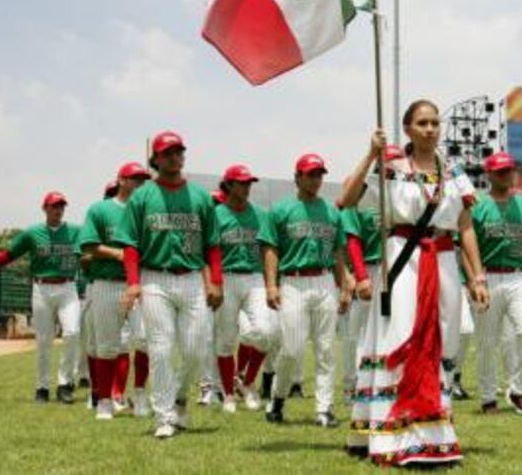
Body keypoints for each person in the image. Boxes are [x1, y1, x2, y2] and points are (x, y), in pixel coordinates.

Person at [340, 100, 490, 466]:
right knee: (402, 338)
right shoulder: (392, 168)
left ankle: (435, 435)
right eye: (422, 122)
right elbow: (345, 199)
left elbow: (466, 226)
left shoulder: (454, 171)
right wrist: (370, 154)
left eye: (435, 122)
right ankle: (395, 436)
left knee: (442, 341)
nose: (430, 128)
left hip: (443, 260)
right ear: (407, 129)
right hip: (402, 258)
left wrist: (478, 275)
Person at [113, 131, 223, 439]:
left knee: (196, 350)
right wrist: (134, 284)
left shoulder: (200, 196)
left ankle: (180, 397)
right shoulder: (143, 196)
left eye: (179, 151)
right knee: (160, 349)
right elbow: (130, 245)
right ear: (156, 159)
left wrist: (216, 281)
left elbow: (213, 245)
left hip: (191, 279)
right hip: (155, 278)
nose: (176, 156)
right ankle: (163, 416)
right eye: (169, 152)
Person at [0, 192, 81, 404]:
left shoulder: (75, 231)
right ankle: (42, 388)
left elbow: (91, 248)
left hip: (68, 287)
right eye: (54, 206)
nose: (58, 210)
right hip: (41, 289)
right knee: (43, 341)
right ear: (45, 208)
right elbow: (8, 254)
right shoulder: (32, 233)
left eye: (61, 206)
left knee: (72, 332)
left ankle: (64, 384)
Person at [260, 153, 353, 427]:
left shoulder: (332, 212)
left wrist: (344, 286)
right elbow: (270, 248)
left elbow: (337, 253)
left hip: (324, 280)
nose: (316, 179)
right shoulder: (281, 210)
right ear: (297, 177)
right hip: (293, 281)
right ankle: (277, 398)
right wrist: (270, 284)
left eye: (320, 174)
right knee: (291, 349)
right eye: (311, 174)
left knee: (325, 349)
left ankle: (324, 409)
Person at [471, 151, 522, 416]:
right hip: (487, 276)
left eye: (510, 170)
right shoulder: (478, 206)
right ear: (489, 174)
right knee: (487, 342)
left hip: (518, 274)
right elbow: (468, 248)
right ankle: (488, 397)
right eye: (500, 171)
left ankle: (518, 389)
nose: (506, 174)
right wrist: (473, 279)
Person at [77, 162, 152, 420]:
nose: (140, 183)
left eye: (143, 179)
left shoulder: (147, 212)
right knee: (107, 347)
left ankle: (140, 395)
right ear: (121, 180)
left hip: (140, 283)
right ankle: (105, 400)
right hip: (107, 283)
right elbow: (88, 245)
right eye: (135, 178)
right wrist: (120, 253)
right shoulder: (101, 209)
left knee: (145, 340)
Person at [340, 145, 404, 404]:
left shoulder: (403, 195)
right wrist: (361, 275)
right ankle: (351, 386)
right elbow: (353, 239)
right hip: (371, 267)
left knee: (393, 330)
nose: (395, 166)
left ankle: (387, 385)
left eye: (398, 162)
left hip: (398, 268)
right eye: (390, 162)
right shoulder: (364, 195)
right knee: (357, 334)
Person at [214, 164, 277, 413]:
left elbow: (268, 249)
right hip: (226, 278)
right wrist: (212, 282)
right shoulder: (217, 215)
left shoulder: (260, 215)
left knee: (267, 331)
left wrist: (272, 282)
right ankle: (228, 393)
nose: (247, 187)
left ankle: (248, 382)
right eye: (241, 183)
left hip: (254, 278)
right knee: (226, 340)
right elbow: (210, 252)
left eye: (249, 183)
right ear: (228, 185)